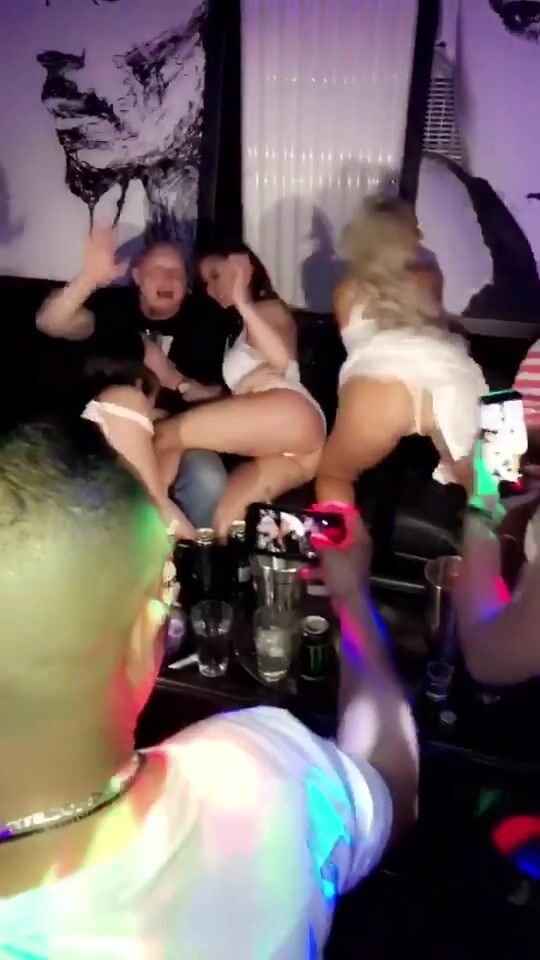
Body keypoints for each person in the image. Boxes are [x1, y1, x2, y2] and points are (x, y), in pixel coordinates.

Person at [0, 421, 417, 957]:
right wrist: (353, 599)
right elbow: (392, 784)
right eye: (168, 583)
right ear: (145, 630)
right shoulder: (258, 772)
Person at [36, 226, 229, 532]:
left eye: (177, 273)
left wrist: (185, 388)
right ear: (137, 276)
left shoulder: (204, 321)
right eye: (157, 270)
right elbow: (51, 322)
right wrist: (88, 277)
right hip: (111, 431)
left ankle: (195, 555)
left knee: (208, 478)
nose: (168, 279)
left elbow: (215, 394)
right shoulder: (114, 310)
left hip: (179, 433)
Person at [316, 195, 488, 505]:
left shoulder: (345, 290)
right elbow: (439, 325)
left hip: (380, 386)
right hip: (447, 379)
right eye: (415, 228)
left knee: (334, 477)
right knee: (484, 496)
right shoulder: (430, 276)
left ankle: (345, 539)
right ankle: (490, 537)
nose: (420, 235)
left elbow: (354, 345)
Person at [154, 241, 326, 538]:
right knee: (224, 526)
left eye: (216, 275)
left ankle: (154, 518)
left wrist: (242, 300)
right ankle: (194, 551)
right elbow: (248, 389)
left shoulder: (267, 308)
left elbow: (282, 359)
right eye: (206, 283)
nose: (211, 289)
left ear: (242, 267)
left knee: (167, 434)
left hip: (289, 412)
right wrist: (197, 390)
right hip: (299, 452)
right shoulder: (240, 326)